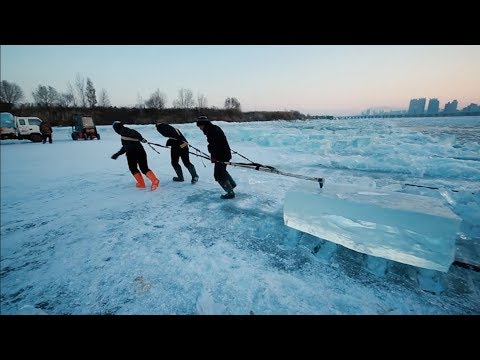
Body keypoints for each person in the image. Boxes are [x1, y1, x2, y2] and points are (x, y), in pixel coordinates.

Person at [110, 121, 160, 191]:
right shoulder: (132, 131)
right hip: (141, 151)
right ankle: (154, 180)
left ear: (116, 129)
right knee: (144, 168)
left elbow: (125, 147)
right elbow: (140, 138)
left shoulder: (123, 135)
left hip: (131, 153)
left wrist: (117, 154)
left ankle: (141, 184)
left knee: (133, 168)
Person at [196, 115, 237, 199]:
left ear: (203, 124)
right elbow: (216, 144)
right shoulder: (213, 128)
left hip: (221, 155)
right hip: (224, 153)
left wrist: (214, 157)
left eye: (200, 126)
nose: (199, 128)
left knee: (218, 175)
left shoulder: (211, 131)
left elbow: (215, 145)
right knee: (221, 171)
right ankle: (231, 184)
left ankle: (230, 192)